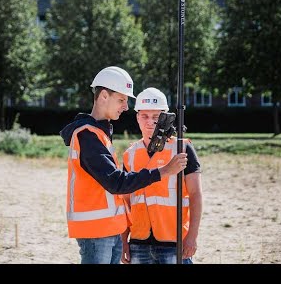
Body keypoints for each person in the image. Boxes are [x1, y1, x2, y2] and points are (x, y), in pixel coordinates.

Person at [59, 67, 188, 264]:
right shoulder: (88, 136)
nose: (126, 106)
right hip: (96, 231)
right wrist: (164, 171)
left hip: (110, 228)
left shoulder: (100, 133)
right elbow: (116, 183)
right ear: (103, 95)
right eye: (121, 100)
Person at [120, 87, 203, 264]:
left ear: (165, 118)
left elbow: (196, 195)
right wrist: (123, 241)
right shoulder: (130, 154)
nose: (150, 122)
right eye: (145, 116)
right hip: (138, 243)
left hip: (174, 241)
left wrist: (192, 237)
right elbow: (125, 203)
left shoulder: (182, 148)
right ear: (137, 117)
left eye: (156, 117)